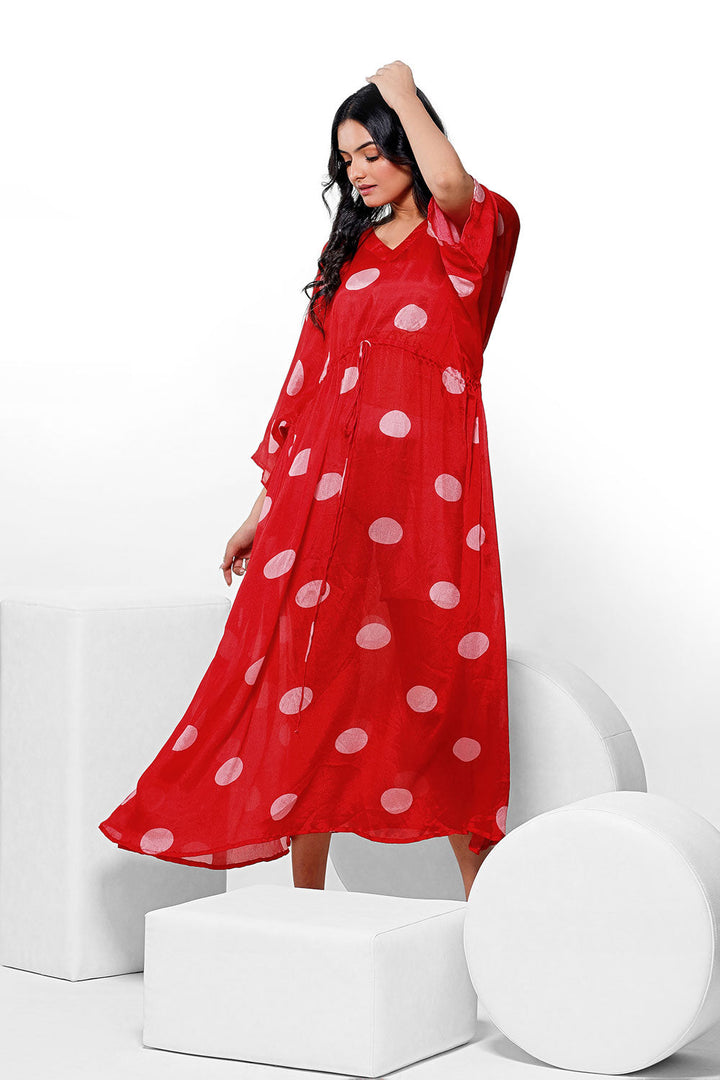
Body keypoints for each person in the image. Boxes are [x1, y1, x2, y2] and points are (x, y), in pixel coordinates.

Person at [98, 61, 520, 902]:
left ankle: (491, 920)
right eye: (346, 159)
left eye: (372, 152)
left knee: (439, 690)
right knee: (314, 682)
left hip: (429, 506)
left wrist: (400, 89)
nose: (357, 172)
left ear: (409, 143)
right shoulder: (348, 256)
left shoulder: (472, 239)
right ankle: (306, 907)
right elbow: (307, 389)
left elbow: (449, 184)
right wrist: (262, 509)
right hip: (326, 504)